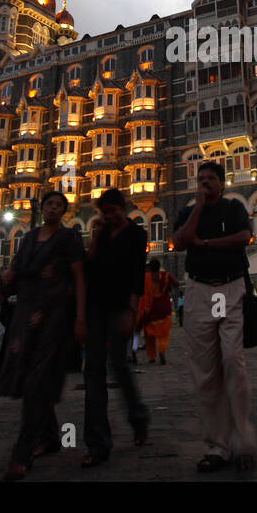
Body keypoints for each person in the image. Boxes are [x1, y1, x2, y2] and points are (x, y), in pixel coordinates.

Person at [172, 161, 256, 474]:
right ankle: (217, 446)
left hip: (227, 291)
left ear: (222, 183)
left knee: (232, 361)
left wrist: (205, 244)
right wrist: (197, 207)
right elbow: (180, 242)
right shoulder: (188, 212)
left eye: (210, 179)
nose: (205, 184)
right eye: (201, 179)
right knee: (206, 373)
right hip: (198, 290)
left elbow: (244, 237)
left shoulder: (233, 208)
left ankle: (243, 441)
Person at [0, 192, 87, 481]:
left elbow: (79, 278)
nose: (52, 208)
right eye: (49, 204)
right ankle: (49, 435)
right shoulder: (30, 236)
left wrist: (80, 316)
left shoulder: (69, 239)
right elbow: (16, 265)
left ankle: (21, 454)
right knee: (25, 374)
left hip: (53, 314)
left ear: (64, 210)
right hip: (26, 312)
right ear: (43, 207)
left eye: (58, 205)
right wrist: (8, 275)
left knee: (37, 379)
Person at [82, 188, 150, 467]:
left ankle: (138, 417)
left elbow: (137, 274)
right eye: (105, 212)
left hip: (120, 307)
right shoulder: (103, 233)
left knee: (119, 365)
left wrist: (131, 311)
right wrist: (96, 236)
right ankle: (98, 444)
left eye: (113, 211)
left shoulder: (136, 234)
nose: (109, 216)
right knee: (93, 372)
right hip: (96, 307)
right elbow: (89, 267)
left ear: (123, 207)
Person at [140, 260, 178, 364]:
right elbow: (176, 283)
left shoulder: (146, 278)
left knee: (149, 334)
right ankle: (161, 350)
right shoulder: (165, 275)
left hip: (150, 308)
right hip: (164, 308)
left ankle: (152, 357)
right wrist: (169, 287)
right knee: (163, 334)